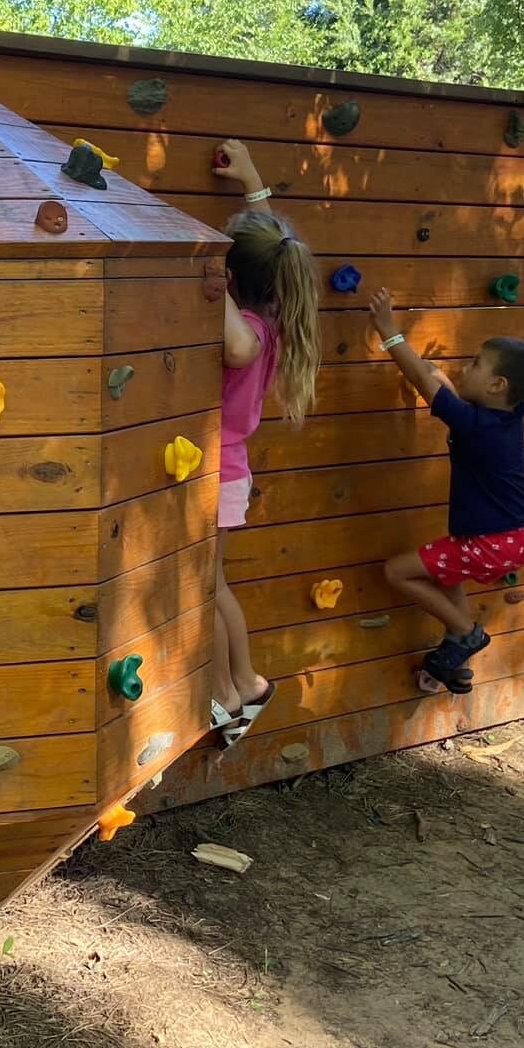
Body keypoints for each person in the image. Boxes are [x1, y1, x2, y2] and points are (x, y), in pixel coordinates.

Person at [365, 287, 524, 693]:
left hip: (491, 542)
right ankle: (457, 663)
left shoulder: (475, 426)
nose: (466, 367)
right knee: (447, 578)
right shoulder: (508, 415)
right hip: (517, 535)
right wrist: (435, 374)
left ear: (497, 385)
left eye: (475, 364)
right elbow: (440, 385)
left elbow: (423, 380)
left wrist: (389, 331)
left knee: (396, 572)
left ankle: (465, 631)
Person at [204, 139, 320, 743]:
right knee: (211, 584)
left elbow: (237, 347)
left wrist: (209, 275)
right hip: (226, 469)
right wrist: (253, 183)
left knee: (204, 588)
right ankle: (244, 684)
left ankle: (229, 692)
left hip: (219, 471)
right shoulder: (275, 307)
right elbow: (273, 243)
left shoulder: (250, 328)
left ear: (232, 277)